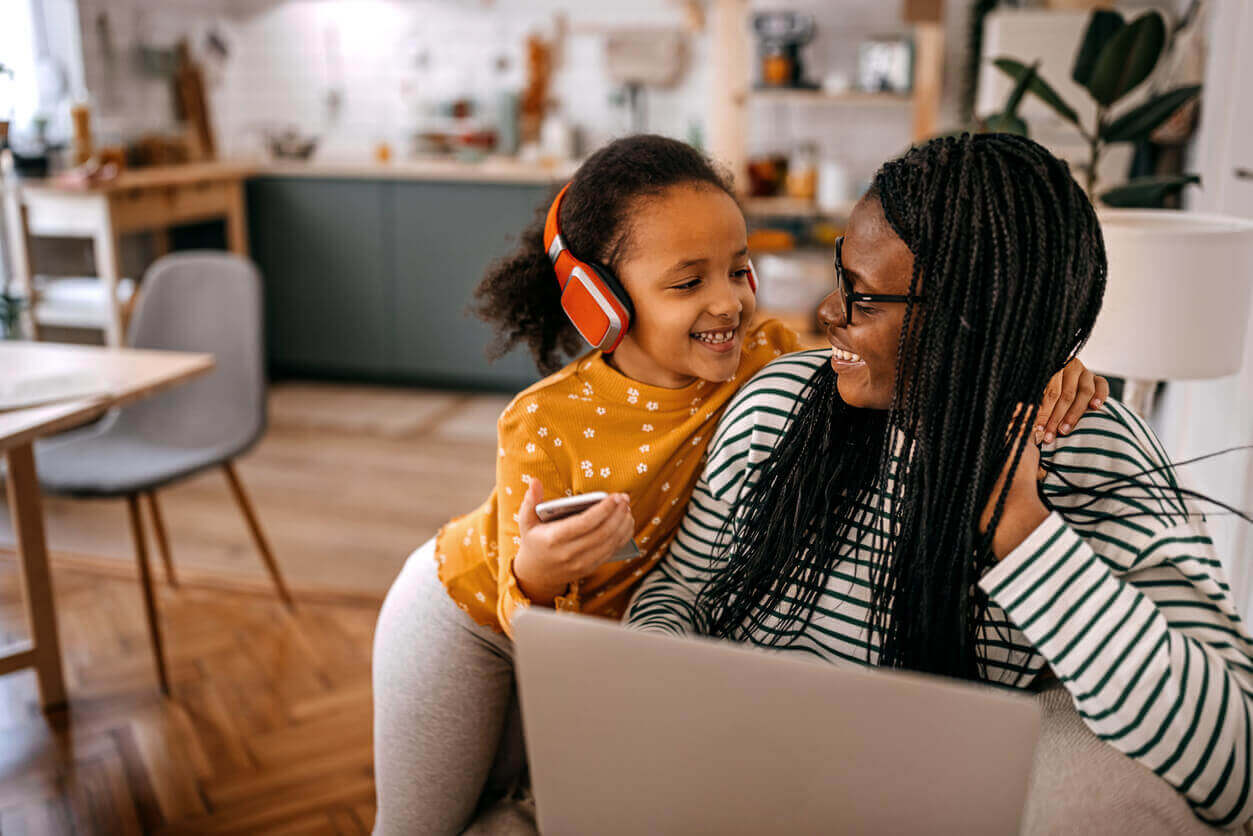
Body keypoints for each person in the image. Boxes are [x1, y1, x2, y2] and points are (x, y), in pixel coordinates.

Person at [372, 134, 1105, 835]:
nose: (728, 301)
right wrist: (536, 570)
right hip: (471, 616)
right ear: (598, 301)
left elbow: (890, 358)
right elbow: (514, 596)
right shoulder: (542, 421)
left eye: (737, 268)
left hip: (597, 644)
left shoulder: (769, 358)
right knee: (420, 824)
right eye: (689, 282)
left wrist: (1034, 359)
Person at [626, 132, 1253, 829]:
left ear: (966, 321)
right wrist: (655, 701)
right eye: (843, 281)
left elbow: (1236, 766)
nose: (827, 315)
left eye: (862, 300)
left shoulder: (1092, 457)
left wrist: (1023, 531)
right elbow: (684, 591)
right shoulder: (779, 403)